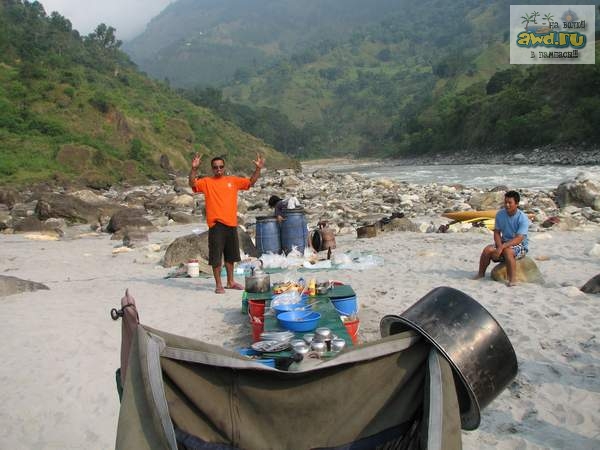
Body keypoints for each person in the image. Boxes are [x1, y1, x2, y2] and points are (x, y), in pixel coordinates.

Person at [189, 153, 265, 294]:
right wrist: (194, 169)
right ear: (212, 168)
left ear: (224, 167)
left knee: (231, 256)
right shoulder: (206, 182)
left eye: (221, 167)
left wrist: (258, 169)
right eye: (215, 167)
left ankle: (230, 282)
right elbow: (192, 184)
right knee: (216, 256)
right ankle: (219, 285)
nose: (218, 169)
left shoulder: (233, 181)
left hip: (231, 224)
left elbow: (250, 183)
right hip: (216, 224)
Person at [474, 190, 529, 286]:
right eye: (505, 202)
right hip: (504, 242)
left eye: (510, 203)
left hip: (519, 245)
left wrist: (502, 247)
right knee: (487, 250)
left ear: (516, 204)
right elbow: (497, 233)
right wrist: (499, 246)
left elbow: (519, 238)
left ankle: (512, 279)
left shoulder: (522, 218)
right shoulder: (500, 214)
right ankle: (480, 274)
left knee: (508, 251)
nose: (507, 205)